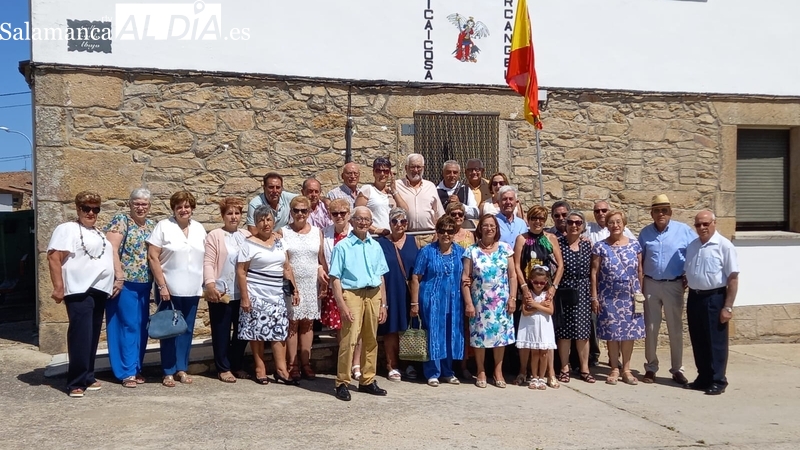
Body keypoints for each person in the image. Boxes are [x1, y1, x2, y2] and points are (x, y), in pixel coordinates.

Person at [48, 191, 115, 397]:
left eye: (95, 209)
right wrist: (59, 287)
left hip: (99, 290)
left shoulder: (97, 232)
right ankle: (75, 382)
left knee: (92, 335)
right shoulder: (67, 229)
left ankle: (87, 375)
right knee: (80, 335)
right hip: (79, 289)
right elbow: (54, 257)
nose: (91, 212)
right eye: (86, 208)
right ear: (78, 209)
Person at [147, 190, 208, 388]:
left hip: (192, 288)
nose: (184, 210)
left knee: (187, 330)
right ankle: (167, 371)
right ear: (173, 209)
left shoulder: (199, 228)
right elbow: (153, 257)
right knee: (169, 330)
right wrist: (162, 285)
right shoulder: (163, 227)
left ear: (192, 208)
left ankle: (182, 368)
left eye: (187, 206)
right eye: (179, 207)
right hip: (169, 289)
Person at [329, 206, 390, 401]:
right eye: (360, 219)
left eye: (367, 219)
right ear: (352, 221)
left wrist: (384, 304)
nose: (363, 222)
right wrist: (342, 305)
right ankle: (342, 382)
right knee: (350, 339)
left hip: (373, 294)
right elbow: (335, 279)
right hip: (352, 294)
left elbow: (381, 276)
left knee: (371, 339)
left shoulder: (375, 245)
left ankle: (367, 380)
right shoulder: (342, 246)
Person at [237, 205, 300, 385]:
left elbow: (286, 267)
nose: (266, 223)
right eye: (261, 220)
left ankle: (281, 369)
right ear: (256, 223)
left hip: (277, 294)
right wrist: (245, 297)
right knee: (256, 331)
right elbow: (241, 271)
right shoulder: (248, 243)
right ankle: (260, 368)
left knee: (279, 331)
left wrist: (294, 289)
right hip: (256, 293)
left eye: (269, 219)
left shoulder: (280, 241)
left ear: (274, 221)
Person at [639, 194, 696, 385]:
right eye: (657, 210)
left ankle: (677, 369)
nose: (661, 213)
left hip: (674, 284)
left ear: (670, 212)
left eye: (664, 210)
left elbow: (695, 252)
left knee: (675, 328)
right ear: (652, 213)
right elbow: (640, 260)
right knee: (651, 328)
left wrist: (689, 273)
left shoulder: (684, 231)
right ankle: (651, 367)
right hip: (651, 284)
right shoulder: (645, 233)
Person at [683, 210, 739, 395]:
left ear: (714, 223)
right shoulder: (692, 246)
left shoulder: (724, 246)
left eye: (705, 224)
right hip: (695, 297)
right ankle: (703, 377)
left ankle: (718, 380)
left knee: (716, 341)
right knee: (698, 339)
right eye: (698, 224)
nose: (702, 228)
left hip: (715, 297)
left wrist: (728, 306)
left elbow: (732, 278)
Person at [104, 188, 155, 388]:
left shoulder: (151, 225)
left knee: (142, 326)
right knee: (127, 325)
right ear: (130, 204)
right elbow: (112, 249)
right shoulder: (121, 221)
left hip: (145, 283)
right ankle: (126, 372)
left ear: (149, 206)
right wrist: (119, 276)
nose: (140, 207)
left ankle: (136, 367)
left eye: (144, 204)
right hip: (125, 283)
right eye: (137, 203)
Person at [462, 214, 518, 388]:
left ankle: (498, 370)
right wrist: (469, 303)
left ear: (496, 228)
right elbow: (465, 278)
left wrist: (512, 298)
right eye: (485, 225)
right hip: (480, 302)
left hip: (501, 302)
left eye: (492, 225)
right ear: (480, 229)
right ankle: (480, 370)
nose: (489, 228)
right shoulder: (471, 250)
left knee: (499, 337)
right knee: (479, 338)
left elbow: (512, 276)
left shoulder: (505, 249)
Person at [590, 210, 645, 385]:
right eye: (611, 222)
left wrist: (640, 294)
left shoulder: (635, 245)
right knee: (612, 333)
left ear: (624, 224)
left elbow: (640, 272)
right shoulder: (600, 246)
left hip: (630, 296)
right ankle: (614, 368)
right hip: (608, 296)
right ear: (607, 225)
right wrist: (594, 297)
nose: (615, 225)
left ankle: (626, 370)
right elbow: (594, 273)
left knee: (629, 334)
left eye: (618, 222)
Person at [513, 205, 564, 388]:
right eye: (534, 218)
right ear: (529, 220)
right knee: (528, 332)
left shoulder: (551, 239)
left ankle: (550, 372)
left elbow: (560, 265)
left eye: (541, 219)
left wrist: (553, 288)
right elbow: (517, 265)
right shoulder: (522, 239)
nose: (538, 222)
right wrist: (524, 288)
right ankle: (523, 371)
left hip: (545, 290)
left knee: (546, 335)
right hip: (527, 288)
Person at [411, 215, 465, 386]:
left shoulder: (460, 252)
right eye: (442, 230)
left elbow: (466, 275)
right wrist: (414, 303)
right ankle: (432, 372)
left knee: (451, 334)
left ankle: (447, 371)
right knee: (433, 335)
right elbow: (415, 277)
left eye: (450, 231)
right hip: (432, 300)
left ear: (455, 232)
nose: (446, 234)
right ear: (437, 231)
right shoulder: (427, 251)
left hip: (454, 301)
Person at [203, 197, 250, 383]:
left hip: (242, 291)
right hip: (222, 291)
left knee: (241, 332)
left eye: (237, 213)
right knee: (221, 331)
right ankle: (223, 368)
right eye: (229, 213)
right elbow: (208, 261)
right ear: (223, 216)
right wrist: (210, 284)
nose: (233, 217)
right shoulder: (215, 235)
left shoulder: (246, 235)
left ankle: (236, 364)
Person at [282, 195, 325, 381]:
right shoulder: (283, 232)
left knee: (308, 323)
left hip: (311, 283)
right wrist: (293, 287)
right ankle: (292, 364)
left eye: (304, 210)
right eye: (296, 210)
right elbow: (285, 263)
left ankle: (306, 362)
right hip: (293, 283)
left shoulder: (317, 231)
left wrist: (324, 280)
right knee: (293, 324)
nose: (300, 214)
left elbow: (321, 259)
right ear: (291, 212)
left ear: (309, 212)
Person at [320, 199, 364, 378]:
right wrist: (320, 268)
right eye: (335, 213)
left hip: (355, 285)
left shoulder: (357, 233)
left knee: (357, 324)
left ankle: (356, 364)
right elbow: (320, 255)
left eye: (343, 213)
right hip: (335, 285)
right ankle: (345, 358)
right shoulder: (325, 233)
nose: (339, 217)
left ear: (349, 214)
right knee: (340, 326)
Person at [377, 207, 419, 382]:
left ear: (407, 224)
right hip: (390, 290)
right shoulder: (381, 243)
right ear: (390, 223)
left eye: (403, 221)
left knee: (409, 328)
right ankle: (392, 364)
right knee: (391, 329)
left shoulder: (414, 240)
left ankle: (410, 364)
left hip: (410, 292)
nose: (399, 225)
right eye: (395, 221)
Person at [555, 211, 595, 383]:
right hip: (564, 289)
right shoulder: (558, 243)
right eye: (570, 222)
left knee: (582, 332)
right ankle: (564, 367)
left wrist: (594, 296)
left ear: (583, 226)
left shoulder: (588, 245)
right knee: (564, 332)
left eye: (578, 223)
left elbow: (593, 271)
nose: (574, 225)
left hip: (583, 290)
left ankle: (584, 368)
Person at [447, 201, 476, 380]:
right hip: (448, 283)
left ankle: (464, 364)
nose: (457, 217)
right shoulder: (443, 234)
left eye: (460, 214)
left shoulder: (469, 235)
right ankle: (448, 364)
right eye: (454, 214)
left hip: (465, 283)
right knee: (449, 324)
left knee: (464, 326)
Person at [517, 266, 557, 390]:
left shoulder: (547, 295)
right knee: (534, 352)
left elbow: (550, 311)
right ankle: (534, 376)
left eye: (542, 282)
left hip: (544, 327)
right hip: (532, 327)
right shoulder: (528, 294)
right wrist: (538, 305)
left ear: (546, 282)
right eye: (536, 282)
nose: (539, 285)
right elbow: (525, 312)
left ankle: (542, 377)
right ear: (531, 281)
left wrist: (534, 305)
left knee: (544, 353)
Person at [394, 153, 444, 242]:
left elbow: (439, 214)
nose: (416, 170)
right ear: (406, 168)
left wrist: (437, 234)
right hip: (406, 236)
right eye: (412, 167)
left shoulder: (430, 186)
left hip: (429, 236)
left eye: (419, 167)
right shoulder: (397, 185)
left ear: (423, 168)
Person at [355, 157, 409, 236]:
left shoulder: (392, 192)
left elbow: (405, 211)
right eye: (378, 171)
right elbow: (357, 216)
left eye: (386, 171)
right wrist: (377, 230)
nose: (382, 174)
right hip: (375, 237)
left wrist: (394, 190)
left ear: (390, 173)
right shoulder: (367, 190)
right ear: (373, 172)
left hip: (392, 237)